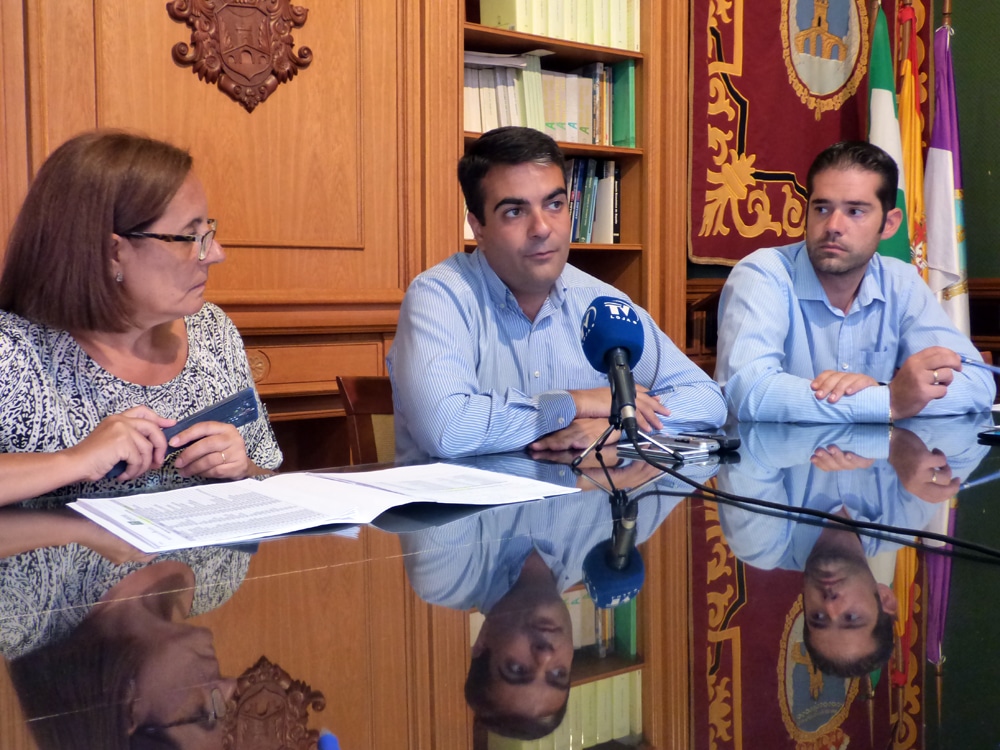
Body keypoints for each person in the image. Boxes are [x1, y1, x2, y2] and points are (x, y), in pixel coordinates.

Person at [387, 126, 725, 462]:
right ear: (478, 227)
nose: (542, 229)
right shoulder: (440, 297)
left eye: (554, 204)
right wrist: (574, 403)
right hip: (465, 512)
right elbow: (448, 429)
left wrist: (619, 422)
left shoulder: (601, 302)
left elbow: (707, 399)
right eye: (514, 212)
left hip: (580, 506)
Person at [0, 130, 281, 507]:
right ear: (112, 252)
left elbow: (271, 482)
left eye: (208, 231)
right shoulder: (13, 351)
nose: (216, 253)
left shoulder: (213, 332)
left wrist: (243, 469)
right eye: (189, 236)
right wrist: (74, 461)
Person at [398, 452, 710, 738]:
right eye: (558, 673)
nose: (546, 656)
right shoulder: (610, 546)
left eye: (518, 669)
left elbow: (448, 463)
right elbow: (700, 452)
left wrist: (579, 471)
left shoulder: (447, 578)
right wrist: (605, 426)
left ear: (481, 645)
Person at [715, 141, 995, 422]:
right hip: (777, 463)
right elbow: (748, 392)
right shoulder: (763, 274)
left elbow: (977, 382)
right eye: (822, 209)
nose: (834, 226)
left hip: (876, 459)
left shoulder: (900, 283)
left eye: (855, 211)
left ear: (889, 225)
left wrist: (888, 393)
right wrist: (887, 402)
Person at [716, 416, 990, 677]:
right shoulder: (903, 518)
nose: (830, 604)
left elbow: (747, 430)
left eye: (818, 617)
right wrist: (892, 424)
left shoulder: (761, 543)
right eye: (851, 616)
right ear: (885, 599)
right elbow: (974, 416)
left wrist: (887, 430)